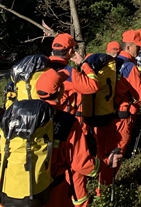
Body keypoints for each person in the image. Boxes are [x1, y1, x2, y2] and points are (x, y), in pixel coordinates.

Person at [33, 69, 108, 207]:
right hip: (54, 188)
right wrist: (105, 165)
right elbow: (82, 164)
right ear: (61, 90)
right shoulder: (67, 121)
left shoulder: (24, 115)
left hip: (27, 186)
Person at [97, 30, 141, 188]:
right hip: (119, 118)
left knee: (103, 153)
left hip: (101, 115)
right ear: (128, 47)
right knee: (115, 154)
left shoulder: (108, 63)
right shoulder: (129, 67)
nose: (139, 50)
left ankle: (100, 184)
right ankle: (105, 189)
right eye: (137, 47)